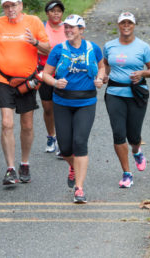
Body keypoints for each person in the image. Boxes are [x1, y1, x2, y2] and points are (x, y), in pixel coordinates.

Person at [0, 0, 50, 185]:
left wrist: (35, 42)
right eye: (6, 6)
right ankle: (10, 169)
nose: (10, 9)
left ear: (21, 5)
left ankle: (25, 163)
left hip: (27, 81)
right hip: (4, 79)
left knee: (27, 124)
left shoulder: (34, 21)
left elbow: (48, 48)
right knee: (7, 123)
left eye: (13, 5)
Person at [41, 14, 105, 203]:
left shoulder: (93, 48)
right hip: (62, 102)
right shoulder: (58, 50)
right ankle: (72, 166)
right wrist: (55, 82)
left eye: (72, 27)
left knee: (80, 142)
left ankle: (79, 189)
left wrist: (100, 79)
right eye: (66, 27)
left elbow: (101, 68)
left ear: (81, 30)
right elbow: (45, 74)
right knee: (66, 148)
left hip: (86, 102)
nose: (68, 30)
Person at [102, 12, 150, 189]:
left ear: (134, 25)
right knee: (119, 133)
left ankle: (136, 150)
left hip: (136, 94)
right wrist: (103, 75)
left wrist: (142, 73)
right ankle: (127, 173)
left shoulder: (143, 47)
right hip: (114, 93)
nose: (126, 26)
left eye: (129, 23)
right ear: (118, 25)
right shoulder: (109, 46)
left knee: (133, 136)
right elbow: (105, 64)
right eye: (123, 23)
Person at [38, 0, 67, 155]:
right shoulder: (42, 27)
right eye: (52, 11)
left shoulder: (67, 28)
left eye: (59, 11)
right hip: (45, 71)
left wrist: (48, 50)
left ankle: (63, 142)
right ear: (47, 13)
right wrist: (50, 51)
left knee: (62, 108)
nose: (56, 13)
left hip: (65, 71)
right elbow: (36, 49)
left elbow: (73, 47)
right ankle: (51, 136)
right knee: (48, 108)